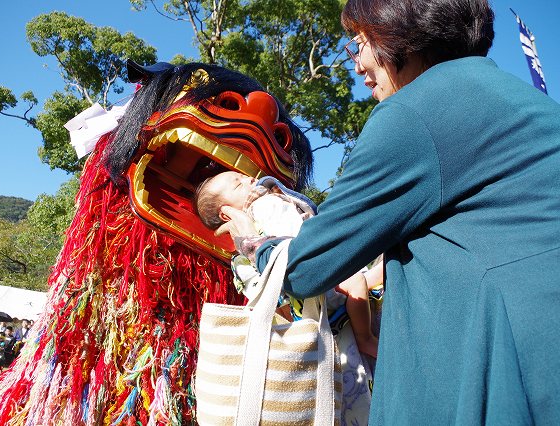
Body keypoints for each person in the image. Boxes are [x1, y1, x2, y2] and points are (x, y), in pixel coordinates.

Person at [215, 0, 560, 423]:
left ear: (397, 32)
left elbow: (306, 268)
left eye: (359, 43)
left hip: (496, 371)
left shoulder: (413, 114)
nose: (356, 64)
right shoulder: (531, 105)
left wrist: (254, 241)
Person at [195, 170, 380, 357]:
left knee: (374, 273)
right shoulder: (264, 207)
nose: (249, 178)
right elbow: (295, 242)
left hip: (312, 287)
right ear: (226, 214)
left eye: (243, 176)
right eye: (238, 184)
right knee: (359, 280)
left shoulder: (265, 208)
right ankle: (365, 338)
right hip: (312, 288)